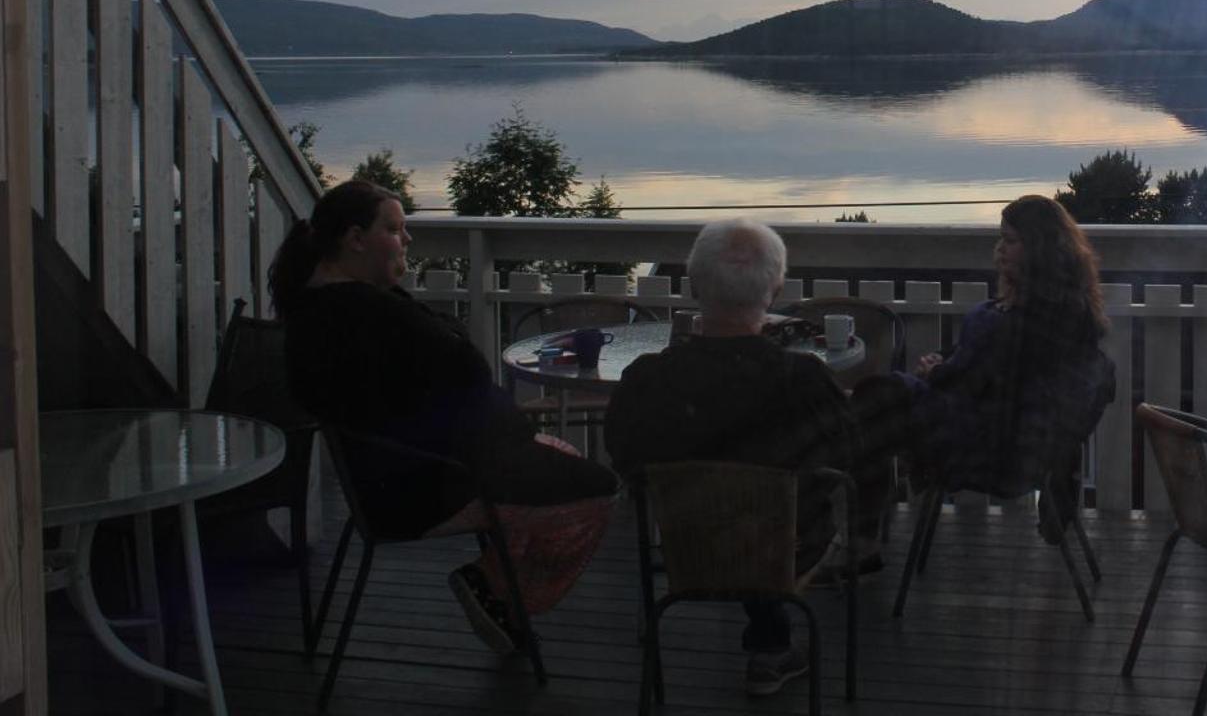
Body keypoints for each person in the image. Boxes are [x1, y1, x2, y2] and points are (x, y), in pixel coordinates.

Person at [270, 179, 618, 656]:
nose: (407, 238)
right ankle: (492, 587)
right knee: (599, 488)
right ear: (355, 239)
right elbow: (467, 366)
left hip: (397, 478)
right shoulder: (362, 314)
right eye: (394, 229)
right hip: (433, 486)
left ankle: (501, 603)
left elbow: (435, 368)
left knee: (560, 454)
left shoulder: (322, 309)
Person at [605, 218, 853, 700]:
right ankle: (772, 647)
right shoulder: (803, 380)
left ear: (694, 286)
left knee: (740, 518)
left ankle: (769, 640)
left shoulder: (647, 381)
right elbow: (845, 456)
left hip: (686, 550)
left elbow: (626, 461)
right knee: (782, 513)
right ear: (776, 288)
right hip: (787, 550)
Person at [850, 194, 1115, 537]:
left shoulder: (1021, 323)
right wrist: (946, 362)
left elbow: (974, 383)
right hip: (1013, 444)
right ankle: (862, 533)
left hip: (984, 447)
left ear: (1040, 250)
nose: (1000, 249)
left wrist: (936, 371)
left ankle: (856, 534)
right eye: (1000, 239)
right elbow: (986, 369)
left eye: (1010, 240)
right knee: (869, 417)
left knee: (871, 406)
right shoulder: (1062, 312)